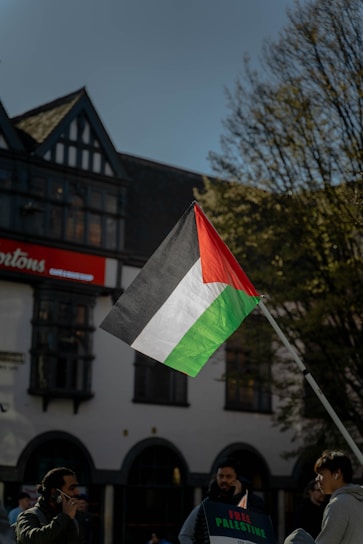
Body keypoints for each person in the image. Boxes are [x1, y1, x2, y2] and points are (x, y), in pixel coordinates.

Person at [178, 458, 266, 544]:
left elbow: (259, 531)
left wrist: (238, 498)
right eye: (221, 476)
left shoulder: (251, 502)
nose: (224, 480)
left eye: (228, 476)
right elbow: (186, 534)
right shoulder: (207, 504)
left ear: (236, 479)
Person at [284, 449, 363, 544]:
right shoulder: (358, 499)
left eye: (321, 474)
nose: (317, 479)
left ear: (337, 474)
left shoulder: (338, 504)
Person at [16, 466, 86, 544]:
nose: (77, 493)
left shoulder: (75, 518)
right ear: (55, 492)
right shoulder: (29, 516)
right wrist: (64, 517)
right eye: (71, 488)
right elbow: (32, 540)